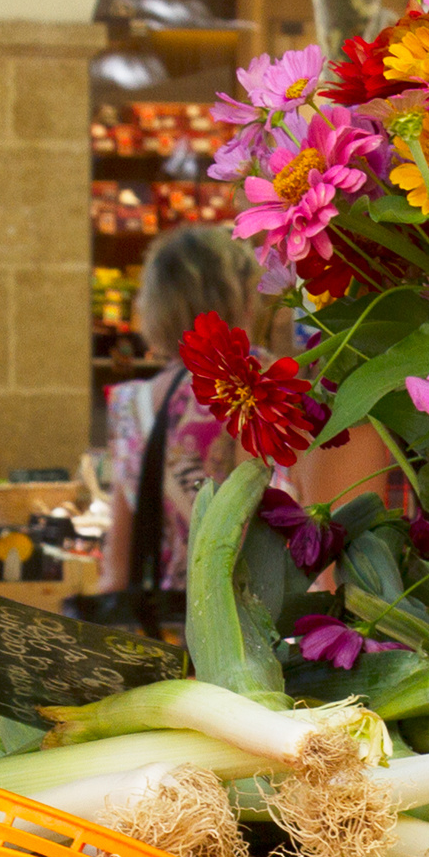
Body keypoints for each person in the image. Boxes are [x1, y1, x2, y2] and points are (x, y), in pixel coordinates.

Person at [95, 225, 263, 597]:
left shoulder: (128, 404)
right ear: (243, 301)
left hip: (172, 628)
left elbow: (117, 571)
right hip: (256, 628)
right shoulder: (262, 383)